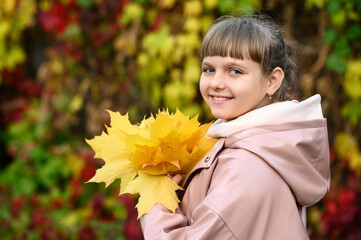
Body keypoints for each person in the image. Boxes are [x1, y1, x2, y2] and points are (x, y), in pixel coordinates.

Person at [140, 15, 330, 240]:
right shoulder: (252, 144)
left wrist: (157, 200)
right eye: (209, 69)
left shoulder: (247, 167)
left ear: (272, 81)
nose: (216, 83)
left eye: (235, 71)